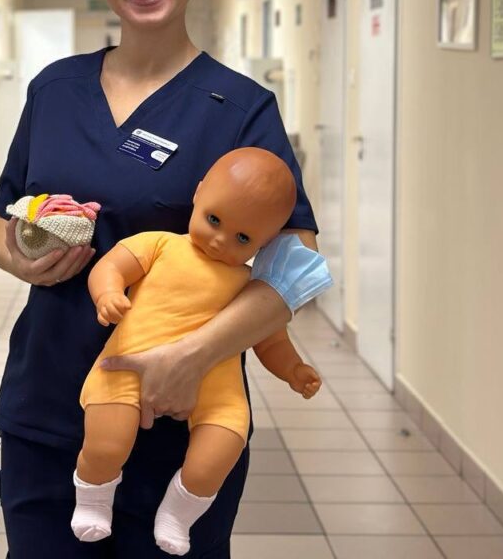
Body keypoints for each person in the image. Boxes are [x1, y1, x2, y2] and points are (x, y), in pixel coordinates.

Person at [0, 0, 320, 559]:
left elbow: (297, 266)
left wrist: (192, 356)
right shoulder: (55, 90)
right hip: (47, 405)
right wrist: (23, 259)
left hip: (183, 421)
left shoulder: (239, 107)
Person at [74, 148, 321, 556]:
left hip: (216, 383)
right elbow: (110, 266)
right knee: (106, 444)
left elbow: (271, 339)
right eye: (214, 220)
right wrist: (108, 294)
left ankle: (178, 513)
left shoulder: (251, 286)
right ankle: (93, 497)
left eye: (243, 239)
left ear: (267, 240)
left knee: (222, 447)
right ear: (199, 192)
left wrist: (293, 369)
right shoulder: (160, 245)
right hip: (128, 362)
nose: (220, 241)